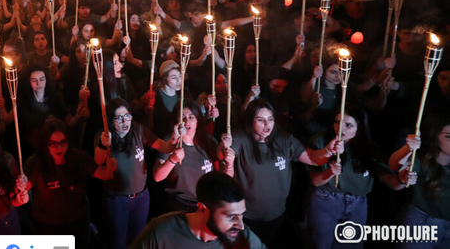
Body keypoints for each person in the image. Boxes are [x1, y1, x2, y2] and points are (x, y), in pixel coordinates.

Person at [219, 99, 342, 248]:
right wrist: (226, 150)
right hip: (245, 214)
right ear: (251, 121)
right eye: (261, 120)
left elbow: (312, 158)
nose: (267, 124)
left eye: (270, 119)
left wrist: (328, 150)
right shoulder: (241, 138)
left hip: (276, 213)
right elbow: (222, 156)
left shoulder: (284, 139)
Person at [305, 104, 402, 249]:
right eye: (337, 122)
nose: (340, 129)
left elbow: (391, 181)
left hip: (357, 205)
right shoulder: (320, 141)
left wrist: (402, 179)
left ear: (360, 127)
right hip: (326, 200)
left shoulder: (370, 148)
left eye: (348, 125)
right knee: (320, 244)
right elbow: (315, 180)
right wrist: (331, 171)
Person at [95, 98, 185, 249]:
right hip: (118, 200)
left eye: (127, 116)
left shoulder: (139, 131)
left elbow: (166, 147)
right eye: (119, 118)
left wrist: (175, 136)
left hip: (141, 197)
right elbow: (98, 160)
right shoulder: (104, 136)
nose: (125, 121)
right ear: (110, 120)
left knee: (139, 238)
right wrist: (103, 145)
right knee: (119, 241)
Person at [24, 119, 116, 246]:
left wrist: (110, 168)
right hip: (48, 226)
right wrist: (21, 190)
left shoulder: (79, 157)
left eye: (63, 142)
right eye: (53, 143)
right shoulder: (35, 164)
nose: (59, 147)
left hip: (77, 222)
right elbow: (22, 192)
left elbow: (103, 174)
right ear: (46, 143)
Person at [128, 171, 266, 249]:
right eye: (231, 216)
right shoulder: (160, 233)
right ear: (203, 210)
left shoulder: (244, 239)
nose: (241, 225)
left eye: (241, 215)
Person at [153, 99, 230, 212]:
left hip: (204, 204)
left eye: (191, 117)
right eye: (182, 117)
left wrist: (228, 160)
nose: (186, 121)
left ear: (198, 120)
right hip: (178, 204)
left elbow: (221, 174)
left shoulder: (208, 141)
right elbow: (157, 177)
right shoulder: (171, 141)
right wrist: (172, 160)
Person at [388, 114, 450, 249]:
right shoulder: (424, 161)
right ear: (436, 138)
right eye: (448, 136)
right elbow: (394, 165)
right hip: (421, 224)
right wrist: (408, 148)